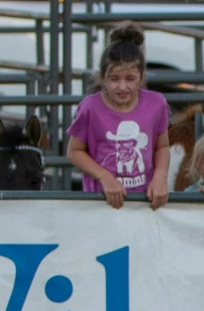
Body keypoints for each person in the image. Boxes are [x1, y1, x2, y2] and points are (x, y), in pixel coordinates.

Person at [65, 22, 172, 210]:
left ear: (142, 76)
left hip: (144, 202)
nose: (122, 87)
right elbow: (74, 151)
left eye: (130, 79)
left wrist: (160, 177)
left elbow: (161, 146)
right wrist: (104, 177)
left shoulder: (157, 104)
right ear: (103, 77)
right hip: (101, 204)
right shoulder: (90, 107)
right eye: (114, 79)